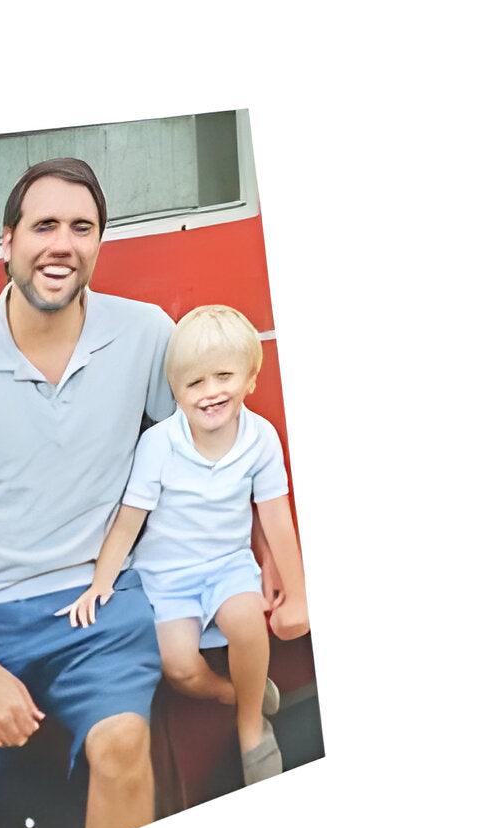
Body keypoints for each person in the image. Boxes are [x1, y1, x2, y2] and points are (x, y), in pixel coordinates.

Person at [0, 158, 175, 828]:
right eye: (44, 226)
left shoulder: (146, 333)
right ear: (7, 242)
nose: (62, 244)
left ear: (99, 243)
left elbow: (198, 454)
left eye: (81, 228)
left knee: (123, 744)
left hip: (97, 600)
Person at [57, 305, 310, 785]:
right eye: (194, 383)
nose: (210, 391)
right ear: (175, 390)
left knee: (247, 623)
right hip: (167, 577)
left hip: (229, 565)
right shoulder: (160, 444)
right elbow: (128, 521)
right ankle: (237, 693)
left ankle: (250, 729)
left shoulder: (261, 439)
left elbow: (275, 517)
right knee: (179, 668)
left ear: (250, 378)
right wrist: (100, 582)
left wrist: (296, 594)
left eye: (224, 377)